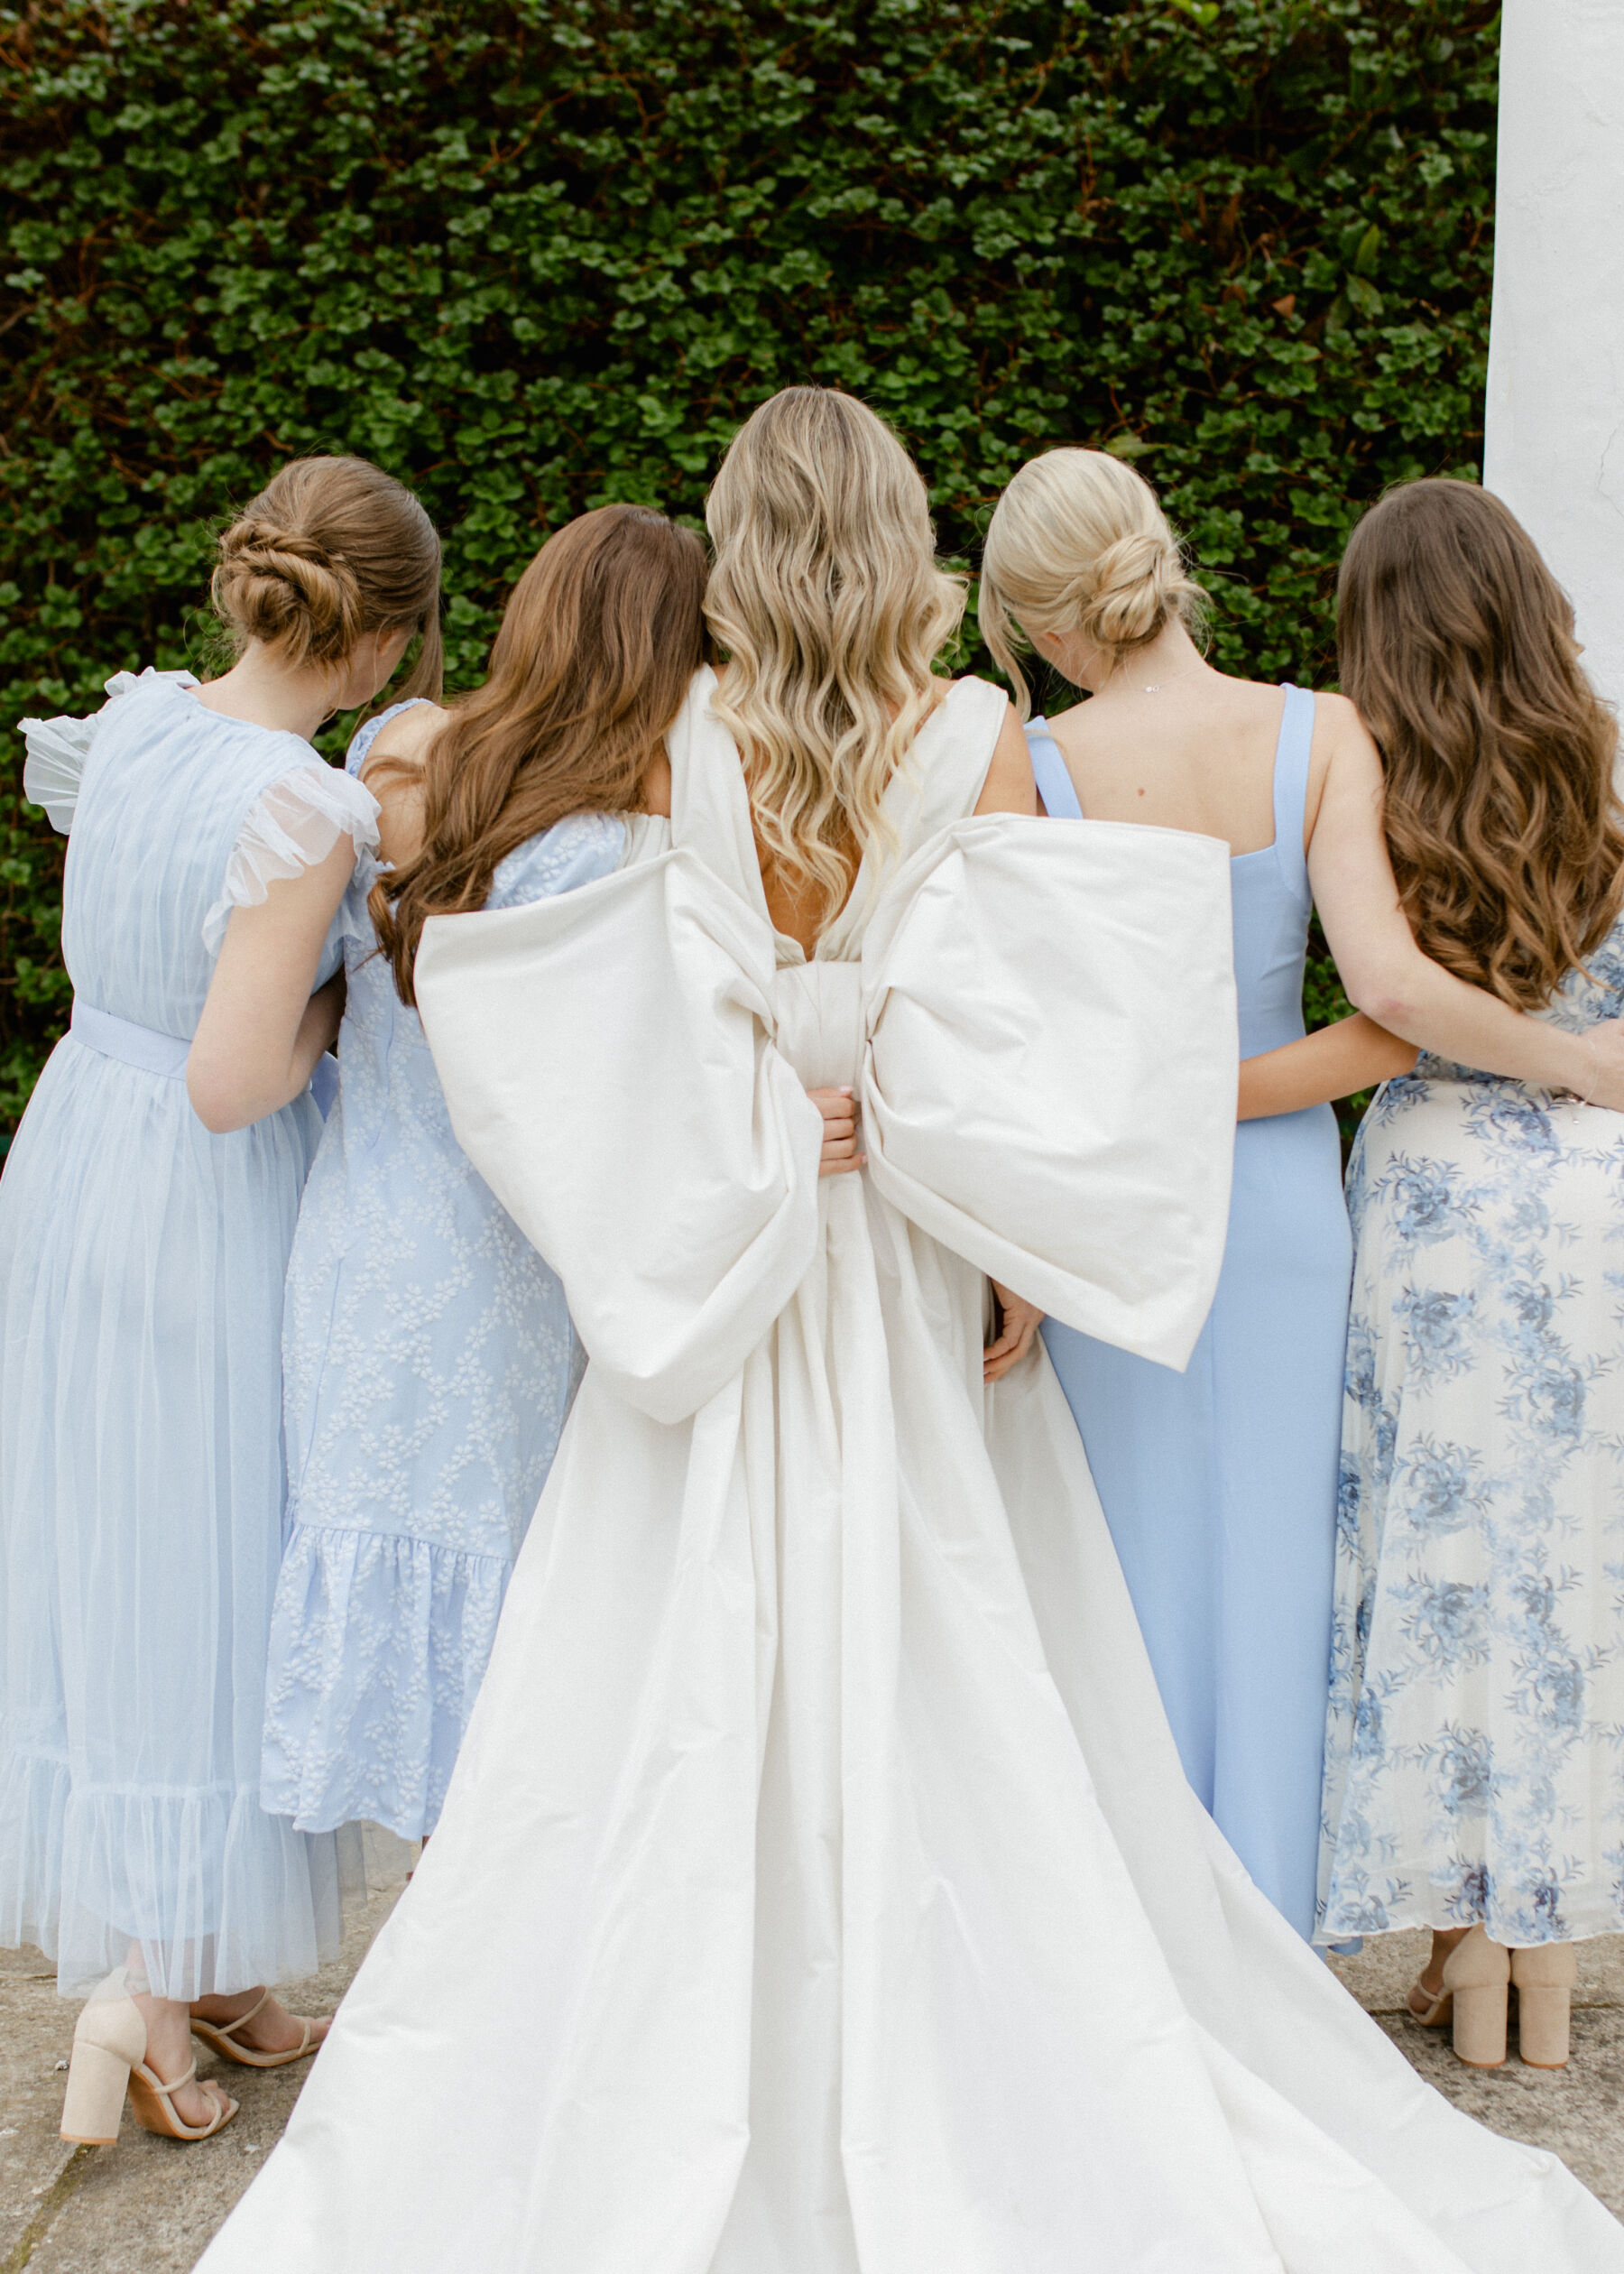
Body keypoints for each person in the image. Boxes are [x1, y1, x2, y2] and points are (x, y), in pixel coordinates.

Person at [203, 390, 1621, 2272]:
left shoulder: (668, 739)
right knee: (971, 1651)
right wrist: (1002, 1224)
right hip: (905, 1254)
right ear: (898, 541)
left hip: (744, 1246)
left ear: (740, 536)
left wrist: (764, 1105)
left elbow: (637, 991)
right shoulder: (980, 739)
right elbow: (1032, 1023)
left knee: (671, 1652)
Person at [977, 446, 1624, 1945]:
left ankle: (1133, 1939)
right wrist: (1572, 1068)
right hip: (1280, 1212)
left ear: (1041, 622)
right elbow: (1392, 1009)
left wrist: (1144, 1106)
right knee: (1282, 1577)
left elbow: (1020, 1031)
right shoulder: (1320, 731)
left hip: (1111, 1210)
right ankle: (1268, 1940)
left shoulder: (1037, 768)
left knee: (1123, 1575)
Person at [0, 454, 439, 2145]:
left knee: (116, 1550)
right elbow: (237, 1077)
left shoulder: (134, 727)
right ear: (384, 639)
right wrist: (360, 1014)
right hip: (200, 1195)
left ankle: (216, 1967)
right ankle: (155, 2005)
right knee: (209, 1562)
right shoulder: (302, 808)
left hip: (72, 1154)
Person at [260, 505, 703, 1844]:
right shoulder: (614, 844)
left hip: (355, 1232)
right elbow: (618, 1090)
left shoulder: (396, 758)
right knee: (516, 1608)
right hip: (501, 1262)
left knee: (389, 1556)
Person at [1317, 477, 1624, 2070]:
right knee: (1568, 1577)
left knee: (1441, 1577)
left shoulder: (1360, 759)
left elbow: (1393, 994)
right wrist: (1593, 1070)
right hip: (1596, 1207)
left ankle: (1460, 1951)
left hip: (1439, 1184)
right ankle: (1548, 1972)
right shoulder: (1608, 745)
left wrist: (1550, 1066)